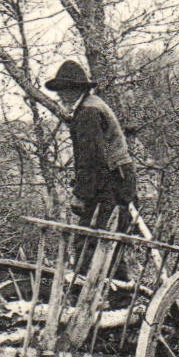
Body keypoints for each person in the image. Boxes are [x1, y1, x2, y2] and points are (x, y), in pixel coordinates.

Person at [46, 59, 138, 255]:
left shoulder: (88, 112)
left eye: (64, 89)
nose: (60, 95)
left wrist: (81, 195)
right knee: (106, 242)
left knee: (94, 241)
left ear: (75, 89)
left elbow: (91, 159)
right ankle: (112, 282)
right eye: (59, 89)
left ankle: (99, 283)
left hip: (113, 182)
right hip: (111, 180)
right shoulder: (87, 107)